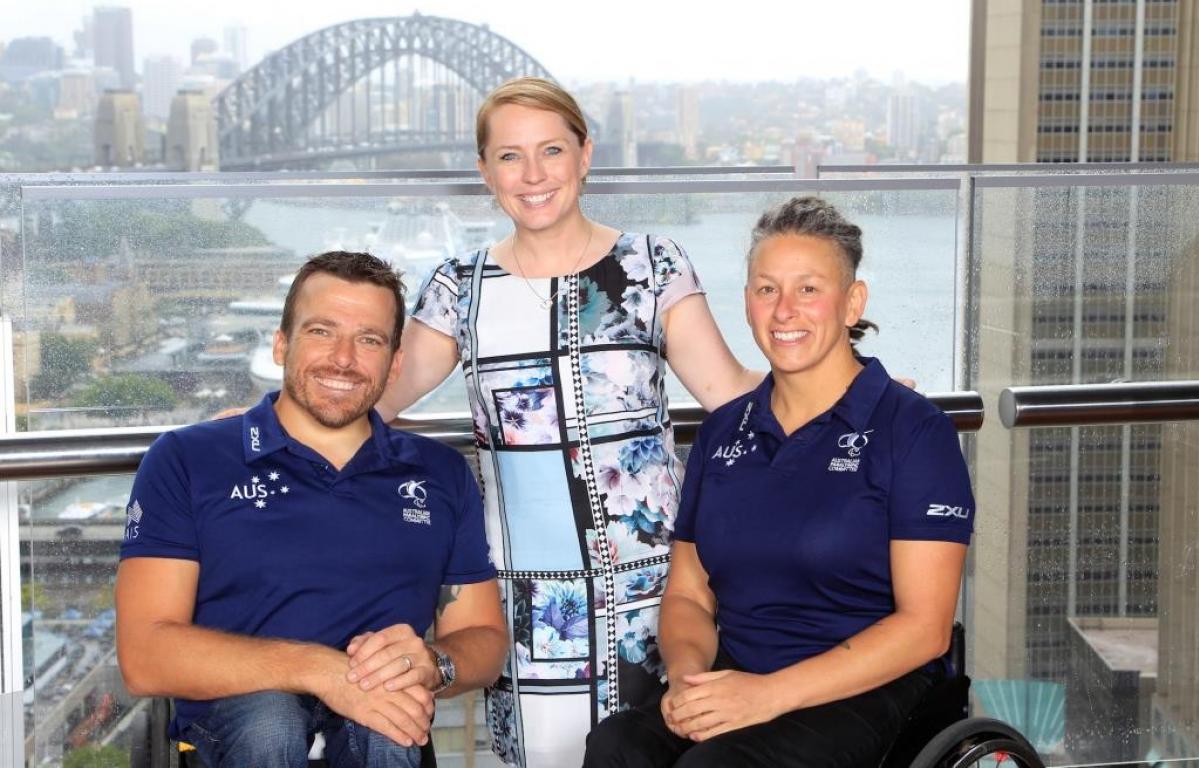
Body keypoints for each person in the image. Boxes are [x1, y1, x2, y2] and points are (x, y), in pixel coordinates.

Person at [347, 77, 760, 767]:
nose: (533, 175)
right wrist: (264, 420)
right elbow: (374, 398)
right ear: (485, 171)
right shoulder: (459, 289)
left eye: (551, 150)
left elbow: (732, 392)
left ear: (585, 154)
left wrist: (843, 386)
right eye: (510, 156)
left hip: (661, 595)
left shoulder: (652, 268)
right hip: (528, 604)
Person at [582, 196, 975, 768]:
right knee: (618, 746)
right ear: (747, 302)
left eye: (809, 289)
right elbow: (690, 594)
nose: (785, 310)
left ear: (852, 303)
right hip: (738, 681)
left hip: (867, 693)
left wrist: (769, 695)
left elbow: (925, 629)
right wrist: (689, 682)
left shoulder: (913, 432)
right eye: (767, 289)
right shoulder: (722, 433)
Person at [115, 251, 508, 768]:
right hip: (239, 732)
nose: (343, 358)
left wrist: (436, 663)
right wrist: (322, 670)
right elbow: (145, 656)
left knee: (388, 727)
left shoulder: (439, 474)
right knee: (269, 721)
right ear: (282, 343)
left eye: (368, 339)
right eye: (322, 331)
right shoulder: (189, 459)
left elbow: (481, 638)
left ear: (393, 364)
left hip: (381, 722)